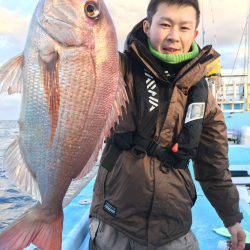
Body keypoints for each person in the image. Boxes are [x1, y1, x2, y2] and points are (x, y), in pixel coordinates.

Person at [89, 0, 246, 249]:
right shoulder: (117, 70)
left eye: (184, 28)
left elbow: (214, 166)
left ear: (194, 34)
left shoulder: (204, 97)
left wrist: (232, 219)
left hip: (173, 227)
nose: (173, 36)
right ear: (147, 26)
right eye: (164, 25)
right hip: (114, 222)